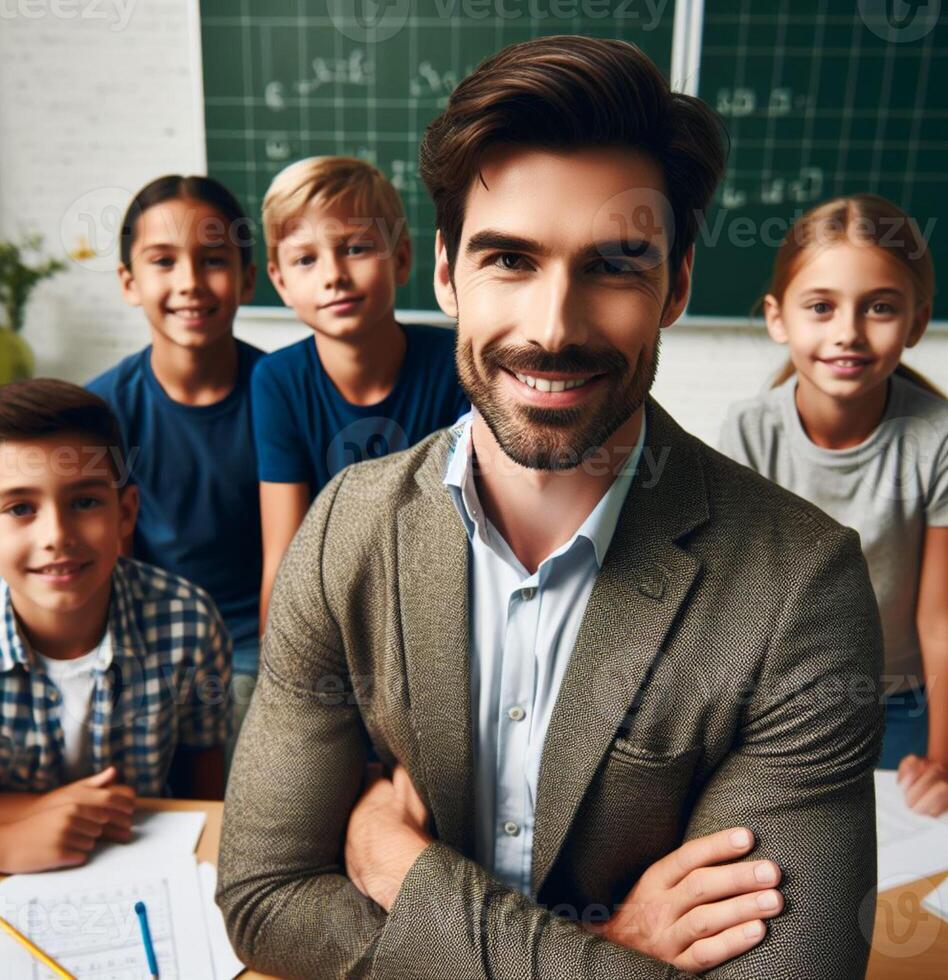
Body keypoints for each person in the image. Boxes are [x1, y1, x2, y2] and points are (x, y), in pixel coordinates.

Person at [218, 37, 883, 978]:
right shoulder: (345, 532)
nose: (553, 327)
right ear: (447, 274)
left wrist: (403, 872)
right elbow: (266, 900)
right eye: (510, 260)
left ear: (677, 284)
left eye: (614, 266)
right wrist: (608, 949)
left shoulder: (799, 586)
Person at [720, 194, 948, 816]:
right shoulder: (750, 432)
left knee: (911, 837)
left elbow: (940, 621)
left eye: (879, 308)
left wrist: (942, 760)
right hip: (787, 696)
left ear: (917, 323)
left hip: (902, 698)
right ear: (778, 318)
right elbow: (741, 604)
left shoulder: (937, 438)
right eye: (821, 307)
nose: (847, 331)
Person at [0, 380, 230, 873]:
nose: (57, 536)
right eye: (20, 509)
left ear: (125, 512)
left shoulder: (187, 620)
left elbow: (205, 796)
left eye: (85, 502)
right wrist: (10, 840)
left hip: (143, 871)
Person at [252, 156, 468, 626]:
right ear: (280, 281)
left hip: (435, 604)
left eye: (355, 248)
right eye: (306, 259)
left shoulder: (456, 359)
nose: (333, 275)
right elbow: (284, 556)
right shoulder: (277, 380)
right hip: (326, 607)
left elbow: (465, 535)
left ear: (404, 259)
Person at [87, 175, 263, 739]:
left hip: (260, 644)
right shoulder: (101, 409)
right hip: (148, 637)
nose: (189, 283)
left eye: (213, 260)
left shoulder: (283, 391)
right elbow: (109, 566)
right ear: (129, 282)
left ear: (247, 279)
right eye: (163, 261)